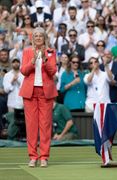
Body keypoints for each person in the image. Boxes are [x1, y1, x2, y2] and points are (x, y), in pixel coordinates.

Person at [19, 27, 58, 167]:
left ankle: (44, 157)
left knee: (45, 125)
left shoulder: (51, 52)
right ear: (32, 38)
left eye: (40, 35)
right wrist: (33, 60)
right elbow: (23, 71)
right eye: (35, 35)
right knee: (31, 126)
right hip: (30, 92)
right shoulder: (27, 51)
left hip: (45, 92)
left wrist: (45, 60)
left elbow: (53, 71)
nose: (38, 38)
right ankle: (33, 156)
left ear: (45, 38)